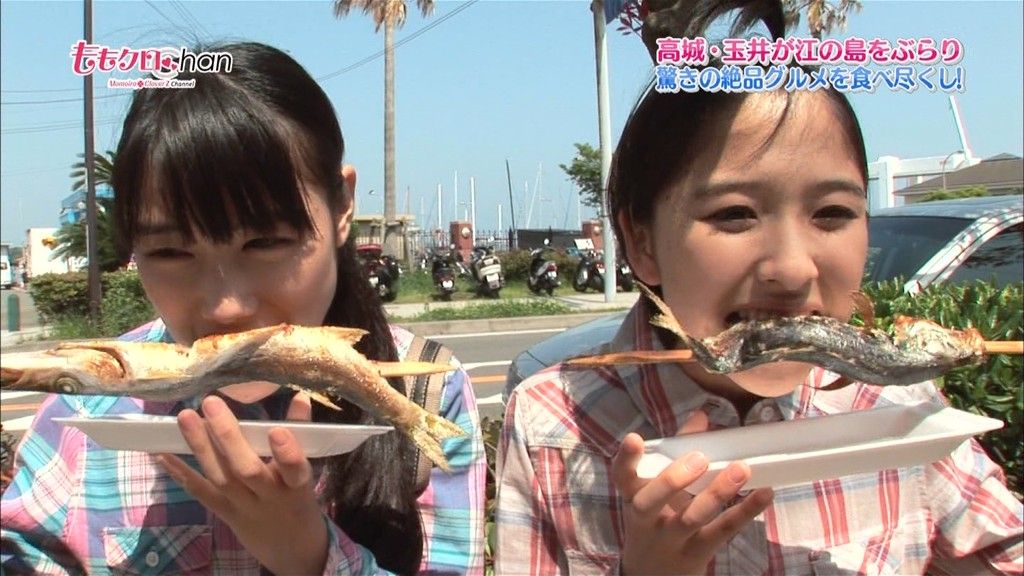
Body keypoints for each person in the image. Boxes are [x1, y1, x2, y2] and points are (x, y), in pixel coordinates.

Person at [495, 1, 1024, 574]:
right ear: (641, 241)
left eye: (831, 213)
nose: (793, 270)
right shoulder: (552, 423)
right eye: (735, 215)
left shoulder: (902, 411)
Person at [1, 42, 486, 575]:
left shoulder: (426, 394)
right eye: (170, 252)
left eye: (266, 243)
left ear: (342, 206)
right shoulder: (89, 412)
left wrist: (309, 557)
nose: (225, 307)